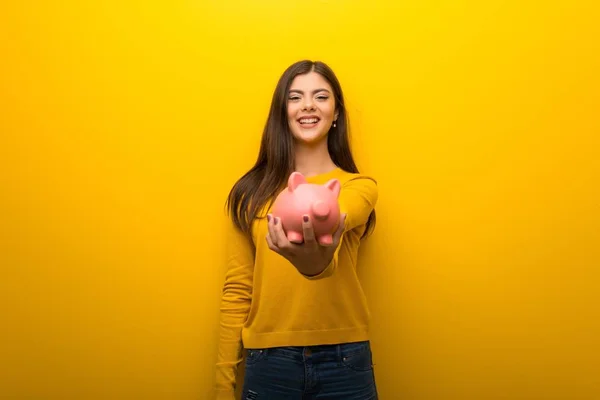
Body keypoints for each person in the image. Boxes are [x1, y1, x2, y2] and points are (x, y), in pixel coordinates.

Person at [214, 60, 379, 399]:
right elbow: (237, 291)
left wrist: (315, 258)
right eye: (295, 97)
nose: (307, 105)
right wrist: (222, 383)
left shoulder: (358, 188)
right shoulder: (249, 194)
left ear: (336, 114)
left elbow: (338, 217)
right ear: (282, 112)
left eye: (321, 96)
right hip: (268, 361)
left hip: (344, 359)